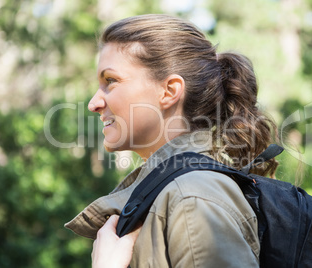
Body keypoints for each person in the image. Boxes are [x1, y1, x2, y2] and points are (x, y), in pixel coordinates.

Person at [65, 14, 278, 267]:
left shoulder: (192, 198)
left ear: (169, 92)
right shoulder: (171, 193)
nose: (94, 103)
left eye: (111, 81)